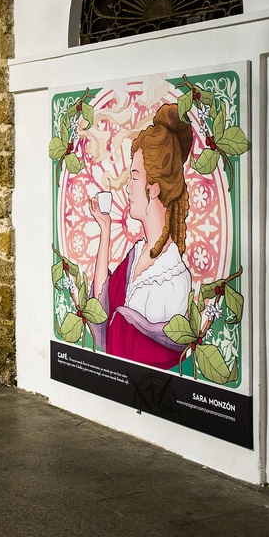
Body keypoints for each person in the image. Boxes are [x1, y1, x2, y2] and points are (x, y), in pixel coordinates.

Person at [87, 103, 193, 369]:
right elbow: (101, 315)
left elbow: (162, 360)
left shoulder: (175, 278)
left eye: (134, 177)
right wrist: (106, 229)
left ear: (154, 188)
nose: (127, 188)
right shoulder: (137, 255)